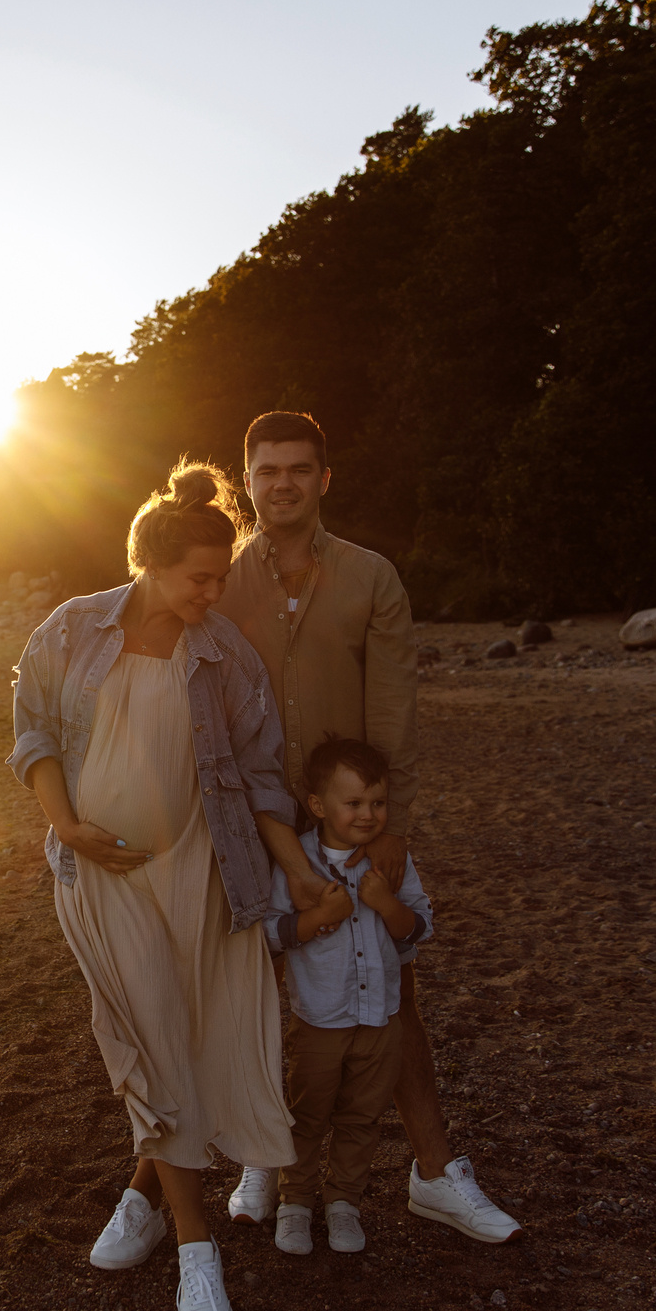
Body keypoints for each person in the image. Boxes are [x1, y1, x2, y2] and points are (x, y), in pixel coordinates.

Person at [7, 460, 322, 1311]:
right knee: (147, 1036)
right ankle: (195, 1246)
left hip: (202, 869)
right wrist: (68, 826)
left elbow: (260, 774)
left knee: (189, 1037)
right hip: (100, 877)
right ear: (149, 561)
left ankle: (141, 1196)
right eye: (199, 578)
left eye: (220, 578)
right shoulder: (73, 628)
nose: (213, 593)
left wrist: (294, 869)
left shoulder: (224, 654)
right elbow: (33, 731)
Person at [214, 409, 522, 1244]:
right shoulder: (222, 579)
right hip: (251, 823)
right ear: (248, 480)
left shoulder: (371, 576)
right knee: (252, 993)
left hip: (348, 827)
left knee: (392, 998)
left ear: (324, 478)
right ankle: (260, 1155)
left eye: (298, 468)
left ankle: (435, 1174)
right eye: (267, 469)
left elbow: (394, 711)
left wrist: (393, 828)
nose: (282, 483)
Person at [260, 736, 433, 1257]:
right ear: (318, 806)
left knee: (362, 1117)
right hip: (319, 1020)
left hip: (380, 1019)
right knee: (308, 1114)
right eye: (353, 802)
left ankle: (343, 1203)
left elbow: (420, 928)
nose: (368, 815)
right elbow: (268, 933)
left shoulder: (390, 864)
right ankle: (294, 1202)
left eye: (377, 803)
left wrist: (385, 904)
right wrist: (318, 917)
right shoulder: (297, 863)